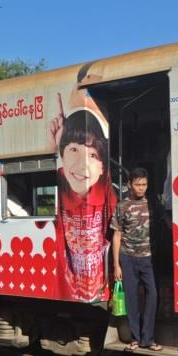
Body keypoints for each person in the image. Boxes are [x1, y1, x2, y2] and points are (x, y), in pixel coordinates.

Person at [49, 62, 117, 302]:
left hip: (97, 284)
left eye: (93, 155)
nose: (82, 165)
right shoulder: (61, 183)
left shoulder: (106, 190)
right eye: (73, 149)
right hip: (73, 287)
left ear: (103, 166)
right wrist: (58, 146)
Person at [112, 167, 162, 352]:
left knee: (153, 295)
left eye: (144, 185)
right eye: (138, 185)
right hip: (128, 257)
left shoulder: (154, 204)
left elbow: (166, 223)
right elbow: (116, 235)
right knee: (131, 298)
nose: (141, 188)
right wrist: (116, 265)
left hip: (149, 258)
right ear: (129, 185)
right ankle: (135, 338)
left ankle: (148, 339)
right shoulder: (122, 206)